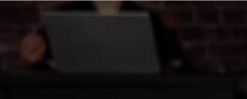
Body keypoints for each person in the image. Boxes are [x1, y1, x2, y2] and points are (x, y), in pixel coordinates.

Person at [20, 0, 187, 70]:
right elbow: (37, 63)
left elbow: (179, 64)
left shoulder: (150, 20)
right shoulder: (61, 18)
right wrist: (33, 51)